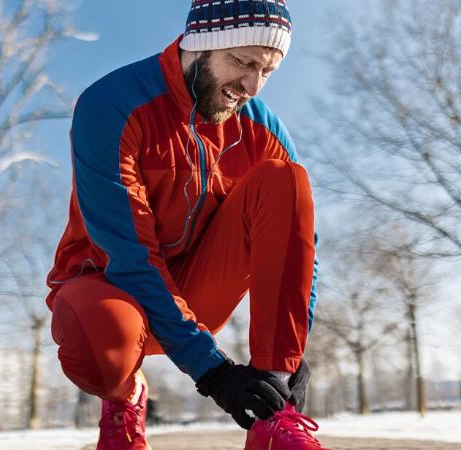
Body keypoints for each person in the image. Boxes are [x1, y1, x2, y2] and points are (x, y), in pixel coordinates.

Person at [46, 1, 328, 449]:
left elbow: (301, 249)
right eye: (242, 62)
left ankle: (274, 424)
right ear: (199, 45)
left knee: (285, 178)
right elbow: (131, 258)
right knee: (99, 342)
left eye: (268, 70)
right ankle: (124, 399)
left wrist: (286, 362)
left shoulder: (263, 130)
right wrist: (214, 373)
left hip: (197, 289)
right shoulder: (113, 105)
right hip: (111, 286)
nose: (253, 86)